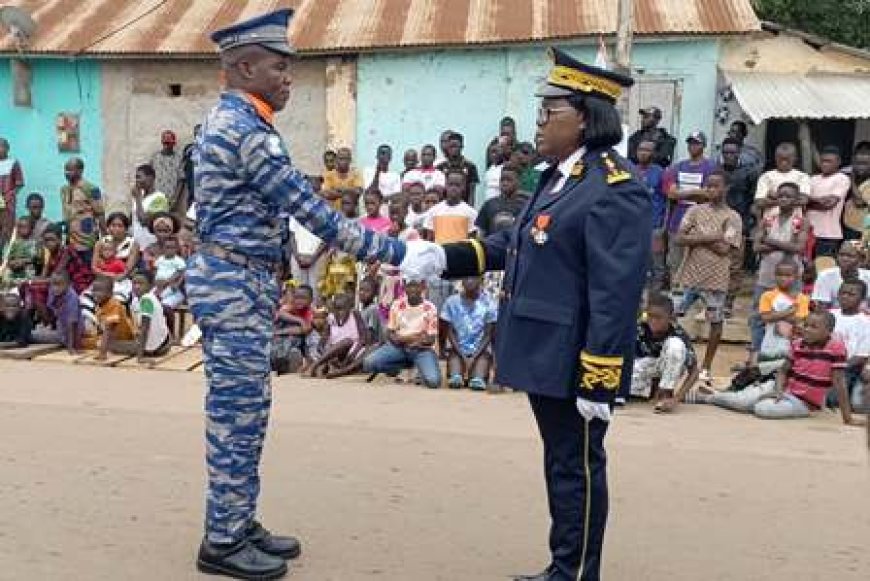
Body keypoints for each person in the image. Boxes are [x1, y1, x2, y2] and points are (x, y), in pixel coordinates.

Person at [402, 47, 650, 581]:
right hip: (546, 350)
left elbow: (616, 294)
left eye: (549, 112)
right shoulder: (560, 178)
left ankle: (577, 574)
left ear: (586, 117)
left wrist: (599, 378)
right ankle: (563, 566)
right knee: (561, 463)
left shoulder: (614, 189)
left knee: (577, 467)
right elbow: (509, 243)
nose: (538, 123)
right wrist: (442, 257)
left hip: (575, 357)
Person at [186, 9, 408, 579]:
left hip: (241, 281)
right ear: (243, 66)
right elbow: (310, 210)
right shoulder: (245, 131)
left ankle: (238, 519)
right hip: (234, 284)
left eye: (290, 67)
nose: (289, 77)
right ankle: (223, 540)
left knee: (249, 409)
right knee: (238, 414)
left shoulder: (239, 121)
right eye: (278, 67)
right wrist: (398, 253)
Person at [708, 310, 863, 425]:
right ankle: (707, 397)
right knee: (741, 402)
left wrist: (847, 418)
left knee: (762, 409)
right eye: (806, 325)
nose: (807, 329)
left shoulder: (836, 348)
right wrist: (778, 390)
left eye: (814, 327)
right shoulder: (797, 344)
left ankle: (752, 398)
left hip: (804, 402)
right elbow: (783, 371)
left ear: (828, 331)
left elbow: (839, 383)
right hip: (782, 389)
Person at [674, 171, 742, 385]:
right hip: (689, 276)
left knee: (715, 322)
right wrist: (713, 235)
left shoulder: (733, 217)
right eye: (708, 186)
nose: (711, 190)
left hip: (716, 279)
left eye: (716, 186)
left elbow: (724, 249)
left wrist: (696, 238)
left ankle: (706, 367)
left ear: (726, 188)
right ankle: (676, 360)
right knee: (673, 315)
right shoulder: (694, 210)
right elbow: (679, 238)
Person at [748, 183, 809, 365]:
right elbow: (756, 247)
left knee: (793, 318)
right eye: (781, 196)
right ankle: (756, 357)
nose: (783, 200)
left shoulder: (801, 221)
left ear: (797, 199)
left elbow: (799, 248)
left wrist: (770, 241)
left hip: (792, 277)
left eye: (788, 196)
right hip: (766, 275)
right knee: (759, 317)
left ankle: (789, 358)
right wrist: (785, 244)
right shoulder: (768, 218)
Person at [362, 277, 442, 389]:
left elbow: (430, 339)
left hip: (421, 349)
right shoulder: (397, 304)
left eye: (416, 286)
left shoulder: (430, 308)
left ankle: (418, 367)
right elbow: (390, 332)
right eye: (410, 286)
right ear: (404, 287)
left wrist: (404, 339)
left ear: (423, 287)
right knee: (368, 363)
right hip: (398, 348)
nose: (413, 289)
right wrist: (412, 338)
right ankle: (403, 368)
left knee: (433, 382)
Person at [663, 131, 717, 284]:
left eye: (696, 143)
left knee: (700, 261)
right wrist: (696, 192)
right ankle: (676, 294)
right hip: (677, 222)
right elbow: (671, 194)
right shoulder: (678, 167)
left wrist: (684, 193)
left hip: (702, 223)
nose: (692, 146)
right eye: (690, 142)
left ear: (704, 146)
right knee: (675, 262)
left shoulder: (711, 167)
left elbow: (709, 194)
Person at [631, 293, 698, 412]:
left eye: (658, 317)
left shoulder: (678, 334)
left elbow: (694, 372)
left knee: (675, 347)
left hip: (670, 367)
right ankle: (650, 393)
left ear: (670, 317)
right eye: (650, 316)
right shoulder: (640, 328)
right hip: (646, 368)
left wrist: (677, 399)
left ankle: (666, 394)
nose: (653, 321)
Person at [440, 277, 497, 390]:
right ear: (461, 281)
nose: (469, 281)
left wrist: (474, 357)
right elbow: (450, 332)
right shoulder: (451, 302)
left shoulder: (489, 303)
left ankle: (478, 374)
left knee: (477, 382)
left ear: (481, 281)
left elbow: (488, 334)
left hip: (480, 351)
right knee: (455, 380)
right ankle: (457, 373)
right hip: (457, 350)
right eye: (466, 278)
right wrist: (463, 356)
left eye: (473, 278)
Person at [755, 260, 810, 370]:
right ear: (775, 276)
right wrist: (789, 311)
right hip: (770, 341)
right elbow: (765, 317)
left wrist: (775, 314)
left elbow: (799, 319)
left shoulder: (802, 298)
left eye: (788, 275)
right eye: (780, 275)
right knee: (766, 369)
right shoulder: (768, 296)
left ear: (796, 277)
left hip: (791, 341)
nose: (783, 278)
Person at [308, 292, 368, 378]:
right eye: (336, 309)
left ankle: (340, 371)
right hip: (334, 355)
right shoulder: (331, 319)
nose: (339, 312)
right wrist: (329, 357)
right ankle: (316, 365)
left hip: (353, 353)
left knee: (350, 342)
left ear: (349, 308)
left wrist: (353, 354)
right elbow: (321, 345)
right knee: (345, 342)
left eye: (342, 309)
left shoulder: (355, 315)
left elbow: (363, 339)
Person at [634, 139, 667, 290]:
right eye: (640, 149)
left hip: (654, 226)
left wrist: (663, 227)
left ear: (653, 153)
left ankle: (655, 297)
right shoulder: (630, 170)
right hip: (634, 226)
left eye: (647, 150)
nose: (643, 152)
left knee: (657, 264)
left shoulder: (660, 173)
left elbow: (668, 201)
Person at [807, 146, 851, 258]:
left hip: (828, 234)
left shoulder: (842, 178)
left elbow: (829, 204)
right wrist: (819, 200)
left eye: (829, 161)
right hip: (807, 231)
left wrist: (809, 201)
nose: (825, 164)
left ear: (838, 162)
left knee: (823, 270)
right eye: (823, 161)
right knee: (804, 269)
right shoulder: (812, 179)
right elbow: (801, 201)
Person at [60, 157, 105, 265]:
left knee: (88, 265)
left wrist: (105, 236)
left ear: (80, 171)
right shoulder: (64, 190)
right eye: (65, 170)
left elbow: (100, 213)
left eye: (70, 170)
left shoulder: (91, 188)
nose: (67, 173)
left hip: (86, 237)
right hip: (70, 237)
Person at [754, 143, 811, 217]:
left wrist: (774, 196)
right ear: (775, 158)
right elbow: (759, 202)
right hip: (770, 221)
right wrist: (791, 197)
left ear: (795, 158)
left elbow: (803, 200)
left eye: (787, 159)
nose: (784, 162)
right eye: (780, 158)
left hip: (795, 222)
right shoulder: (766, 176)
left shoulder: (802, 176)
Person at [422, 170, 478, 243]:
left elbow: (472, 241)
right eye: (450, 184)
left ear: (463, 187)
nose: (453, 188)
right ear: (445, 185)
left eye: (457, 185)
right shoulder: (434, 211)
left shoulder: (471, 212)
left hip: (461, 252)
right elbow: (429, 239)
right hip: (440, 253)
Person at [128, 272, 172, 362]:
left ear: (150, 286)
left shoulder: (146, 300)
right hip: (163, 342)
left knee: (113, 345)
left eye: (140, 283)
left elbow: (145, 329)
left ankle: (143, 352)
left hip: (157, 348)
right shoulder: (137, 299)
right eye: (134, 283)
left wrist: (140, 357)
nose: (136, 286)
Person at [812, 241, 870, 309]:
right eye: (841, 255)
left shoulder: (868, 276)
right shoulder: (825, 276)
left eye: (850, 256)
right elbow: (822, 308)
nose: (844, 259)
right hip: (834, 317)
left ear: (861, 260)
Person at [91, 275, 136, 361]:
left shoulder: (114, 305)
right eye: (94, 290)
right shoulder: (99, 304)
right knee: (87, 340)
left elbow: (109, 329)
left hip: (125, 339)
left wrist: (102, 353)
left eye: (99, 291)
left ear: (110, 293)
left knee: (97, 343)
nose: (95, 293)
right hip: (113, 337)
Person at [271, 284, 311, 375]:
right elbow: (281, 314)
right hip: (283, 337)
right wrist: (300, 320)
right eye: (297, 298)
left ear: (310, 300)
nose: (299, 301)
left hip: (299, 340)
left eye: (303, 298)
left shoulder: (310, 312)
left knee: (292, 345)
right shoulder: (291, 307)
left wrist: (279, 332)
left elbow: (304, 330)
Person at [131, 164, 170, 250]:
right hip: (137, 246)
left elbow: (144, 221)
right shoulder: (139, 196)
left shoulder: (159, 198)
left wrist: (137, 199)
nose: (137, 180)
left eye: (139, 177)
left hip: (151, 245)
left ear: (150, 178)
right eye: (136, 177)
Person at [287, 216, 326, 301]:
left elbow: (327, 237)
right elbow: (292, 236)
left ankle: (313, 313)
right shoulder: (295, 212)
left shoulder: (323, 211)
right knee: (299, 289)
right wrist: (297, 257)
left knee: (316, 290)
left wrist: (313, 258)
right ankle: (300, 313)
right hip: (298, 256)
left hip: (317, 256)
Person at [437, 132, 480, 205]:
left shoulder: (470, 167)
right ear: (447, 147)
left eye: (456, 146)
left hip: (464, 205)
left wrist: (471, 209)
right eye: (451, 146)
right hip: (445, 207)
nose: (453, 149)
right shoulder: (440, 167)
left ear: (462, 146)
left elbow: (472, 192)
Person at [93, 212, 139, 278]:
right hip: (102, 279)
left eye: (120, 226)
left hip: (124, 280)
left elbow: (127, 270)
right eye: (113, 225)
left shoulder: (133, 244)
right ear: (108, 227)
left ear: (126, 229)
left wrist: (118, 277)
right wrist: (110, 275)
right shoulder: (100, 243)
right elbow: (94, 268)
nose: (116, 228)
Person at [47, 271, 82, 354]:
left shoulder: (72, 297)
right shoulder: (52, 291)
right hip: (61, 327)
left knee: (33, 336)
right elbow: (52, 308)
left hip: (73, 333)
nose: (55, 288)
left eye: (59, 284)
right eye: (53, 284)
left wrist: (71, 346)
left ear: (68, 284)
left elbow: (72, 324)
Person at [843, 141, 870, 242]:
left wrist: (852, 179)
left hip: (863, 229)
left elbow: (859, 202)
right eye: (858, 163)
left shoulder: (851, 176)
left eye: (865, 164)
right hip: (847, 225)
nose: (860, 167)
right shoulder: (845, 172)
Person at [321, 146, 363, 211]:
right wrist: (349, 192)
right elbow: (327, 195)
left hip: (351, 215)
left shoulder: (356, 174)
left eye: (346, 159)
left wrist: (339, 190)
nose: (343, 161)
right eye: (341, 158)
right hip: (334, 214)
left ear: (350, 160)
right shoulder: (329, 175)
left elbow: (358, 192)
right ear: (336, 159)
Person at [0, 137, 24, 246]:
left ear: (7, 148)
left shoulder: (13, 163)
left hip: (7, 201)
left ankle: (6, 254)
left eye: (2, 146)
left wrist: (10, 195)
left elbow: (19, 183)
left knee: (7, 228)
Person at [2, 216, 38, 285]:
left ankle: (25, 284)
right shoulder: (12, 243)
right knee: (6, 273)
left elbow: (34, 257)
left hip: (26, 268)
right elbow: (6, 257)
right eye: (20, 226)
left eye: (25, 227)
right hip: (13, 268)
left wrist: (22, 261)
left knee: (29, 271)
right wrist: (12, 262)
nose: (22, 229)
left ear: (31, 229)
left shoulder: (34, 243)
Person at [176, 125, 202, 215]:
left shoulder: (210, 148)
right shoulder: (189, 149)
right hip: (192, 188)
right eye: (196, 133)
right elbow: (183, 166)